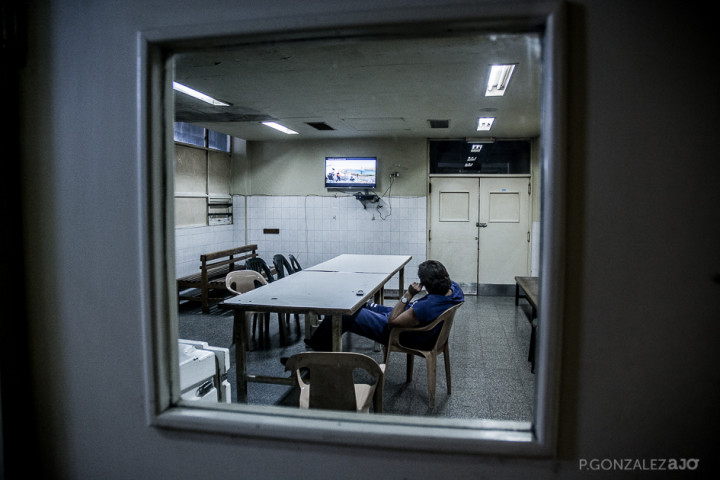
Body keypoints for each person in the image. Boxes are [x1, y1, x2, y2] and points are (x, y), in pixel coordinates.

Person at [304, 260, 464, 351]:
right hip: (414, 323)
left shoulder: (427, 306)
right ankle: (320, 342)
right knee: (359, 305)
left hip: (402, 333)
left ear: (426, 285)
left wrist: (408, 295)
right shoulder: (455, 290)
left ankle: (316, 355)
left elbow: (392, 322)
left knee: (344, 315)